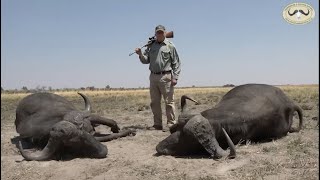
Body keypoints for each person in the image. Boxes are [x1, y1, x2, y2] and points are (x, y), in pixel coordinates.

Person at [135, 25, 181, 131]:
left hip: (166, 77)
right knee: (154, 102)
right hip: (153, 77)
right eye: (158, 33)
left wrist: (175, 77)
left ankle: (171, 124)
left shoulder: (170, 46)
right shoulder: (151, 46)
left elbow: (176, 62)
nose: (159, 34)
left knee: (169, 102)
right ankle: (157, 124)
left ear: (165, 33)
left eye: (161, 32)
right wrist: (140, 54)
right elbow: (146, 61)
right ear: (155, 34)